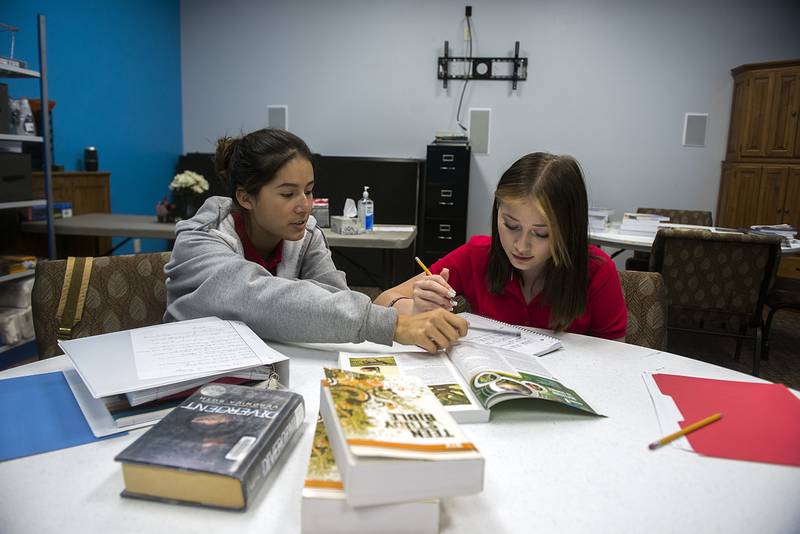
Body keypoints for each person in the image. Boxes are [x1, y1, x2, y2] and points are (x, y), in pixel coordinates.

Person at [164, 128, 466, 352]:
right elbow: (257, 298)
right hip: (192, 368)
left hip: (268, 363)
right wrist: (394, 324)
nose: (305, 205)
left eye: (308, 190)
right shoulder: (201, 238)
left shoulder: (305, 234)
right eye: (287, 194)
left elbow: (333, 297)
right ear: (245, 197)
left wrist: (308, 309)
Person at [375, 152, 626, 341]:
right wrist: (416, 308)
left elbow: (614, 357)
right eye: (511, 225)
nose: (521, 245)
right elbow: (381, 301)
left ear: (569, 229)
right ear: (497, 214)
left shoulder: (597, 271)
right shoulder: (477, 255)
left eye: (541, 233)